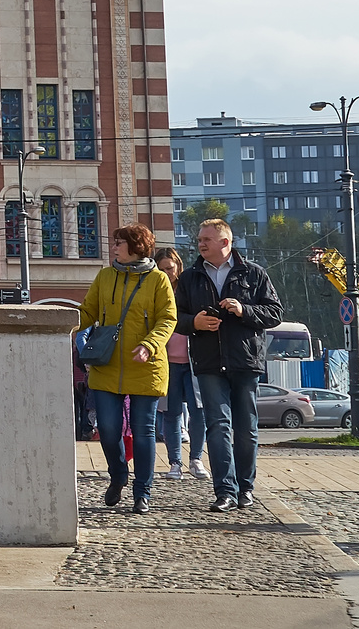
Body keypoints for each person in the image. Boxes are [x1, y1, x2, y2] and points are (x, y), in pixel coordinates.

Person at [173, 216, 282, 513]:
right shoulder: (190, 277)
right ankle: (225, 491)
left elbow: (274, 313)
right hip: (208, 362)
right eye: (199, 239)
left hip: (245, 362)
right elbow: (175, 317)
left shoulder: (254, 273)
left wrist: (242, 309)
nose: (200, 244)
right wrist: (194, 322)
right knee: (218, 426)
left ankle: (246, 488)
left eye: (206, 239)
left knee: (246, 428)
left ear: (225, 242)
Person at [80, 222, 175, 514]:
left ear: (136, 247)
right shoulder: (105, 276)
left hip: (146, 366)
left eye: (119, 242)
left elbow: (167, 318)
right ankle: (118, 475)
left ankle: (142, 492)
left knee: (144, 431)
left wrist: (149, 344)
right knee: (108, 429)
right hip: (106, 365)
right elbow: (87, 312)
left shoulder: (158, 280)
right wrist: (66, 328)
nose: (114, 247)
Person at [153, 246, 207, 478]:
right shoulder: (154, 290)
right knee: (171, 412)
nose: (167, 273)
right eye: (162, 269)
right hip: (167, 360)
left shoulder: (189, 288)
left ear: (178, 266)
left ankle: (196, 459)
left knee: (198, 411)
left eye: (170, 268)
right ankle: (175, 462)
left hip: (194, 359)